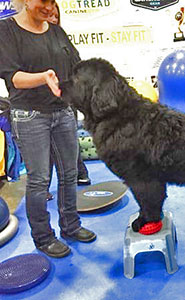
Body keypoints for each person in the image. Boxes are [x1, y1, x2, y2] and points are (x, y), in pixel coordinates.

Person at [0, 0, 96, 258]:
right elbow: (14, 78)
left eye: (53, 1)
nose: (50, 7)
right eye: (44, 1)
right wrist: (43, 77)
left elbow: (77, 65)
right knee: (40, 180)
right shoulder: (7, 31)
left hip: (63, 111)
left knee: (69, 173)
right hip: (30, 115)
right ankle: (43, 238)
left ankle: (71, 226)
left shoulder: (55, 30)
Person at [46, 2, 91, 199]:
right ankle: (44, 187)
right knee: (46, 150)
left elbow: (77, 62)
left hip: (64, 101)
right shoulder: (30, 40)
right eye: (49, 16)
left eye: (56, 16)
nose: (53, 19)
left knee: (70, 142)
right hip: (40, 104)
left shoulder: (61, 37)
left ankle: (81, 174)